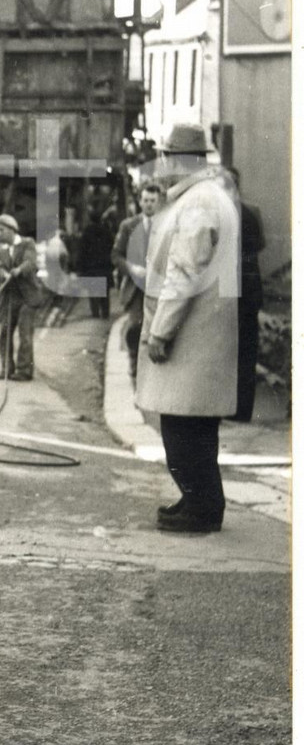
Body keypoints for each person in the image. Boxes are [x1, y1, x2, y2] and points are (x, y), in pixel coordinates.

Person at [135, 122, 239, 534]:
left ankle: (202, 508)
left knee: (181, 428)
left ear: (177, 160)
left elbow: (182, 274)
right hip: (206, 334)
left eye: (164, 156)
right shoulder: (211, 197)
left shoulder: (196, 204)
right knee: (196, 427)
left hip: (191, 336)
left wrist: (161, 331)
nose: (160, 165)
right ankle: (199, 500)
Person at [111, 180, 163, 384]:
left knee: (158, 330)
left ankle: (153, 377)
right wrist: (132, 268)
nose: (149, 204)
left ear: (158, 202)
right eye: (146, 200)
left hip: (159, 289)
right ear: (140, 202)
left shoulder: (166, 225)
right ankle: (135, 375)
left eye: (153, 200)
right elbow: (115, 255)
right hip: (135, 290)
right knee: (135, 330)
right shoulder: (129, 226)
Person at [228, 168, 266, 423]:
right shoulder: (252, 211)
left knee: (231, 350)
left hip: (232, 290)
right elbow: (261, 243)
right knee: (246, 351)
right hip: (250, 288)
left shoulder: (221, 212)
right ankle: (243, 410)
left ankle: (230, 408)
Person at [0, 214, 43, 381]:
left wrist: (18, 270)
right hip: (10, 297)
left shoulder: (28, 243)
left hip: (28, 297)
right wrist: (3, 274)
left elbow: (30, 263)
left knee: (24, 332)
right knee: (5, 331)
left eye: (1, 230)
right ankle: (6, 368)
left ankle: (24, 370)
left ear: (11, 230)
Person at [76, 205, 115, 318]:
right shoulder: (106, 231)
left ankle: (95, 313)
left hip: (90, 268)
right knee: (105, 291)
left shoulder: (86, 232)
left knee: (92, 291)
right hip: (104, 267)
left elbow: (82, 251)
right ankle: (105, 312)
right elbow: (112, 247)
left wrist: (80, 267)